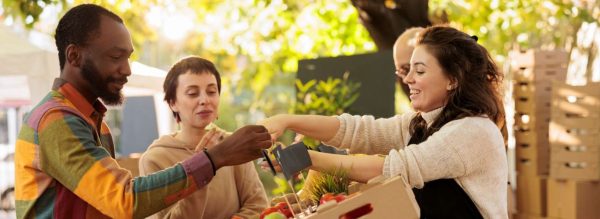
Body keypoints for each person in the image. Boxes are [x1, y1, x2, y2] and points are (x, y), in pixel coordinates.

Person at [14, 4, 271, 219]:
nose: (127, 69)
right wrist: (214, 158)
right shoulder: (55, 120)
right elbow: (124, 200)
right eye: (116, 57)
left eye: (128, 58)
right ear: (75, 56)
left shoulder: (96, 123)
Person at [259, 25, 508, 218]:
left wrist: (308, 159)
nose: (408, 78)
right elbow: (359, 131)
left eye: (419, 71)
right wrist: (287, 120)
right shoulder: (421, 124)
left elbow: (396, 168)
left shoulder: (474, 131)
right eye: (407, 69)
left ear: (452, 79)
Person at [139, 57, 268, 219]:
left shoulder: (234, 144)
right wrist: (201, 167)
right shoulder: (154, 159)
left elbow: (258, 205)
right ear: (173, 103)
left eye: (212, 91)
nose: (205, 100)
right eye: (193, 93)